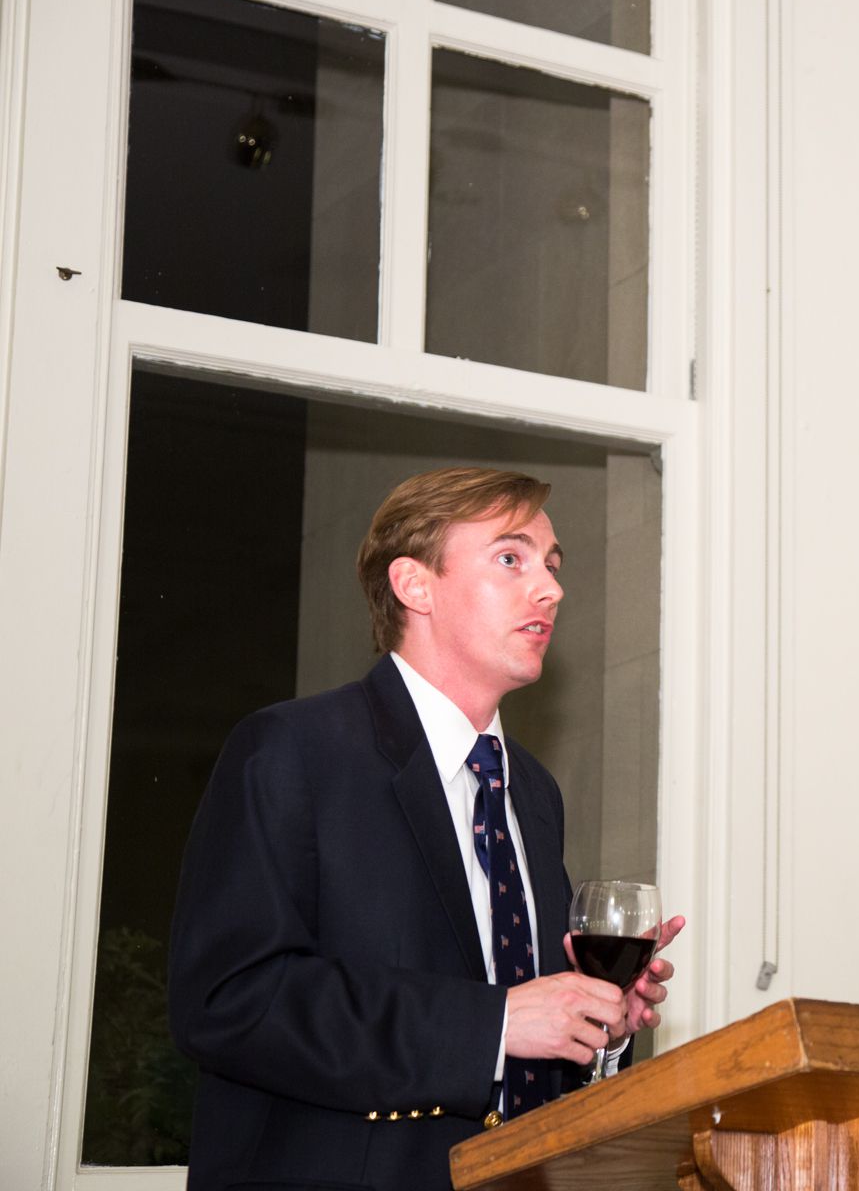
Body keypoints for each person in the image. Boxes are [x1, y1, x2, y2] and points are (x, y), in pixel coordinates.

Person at [169, 467, 683, 1190]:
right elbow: (229, 1002)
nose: (551, 589)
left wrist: (596, 1025)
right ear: (415, 586)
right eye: (512, 558)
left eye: (552, 565)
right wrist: (496, 1025)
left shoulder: (531, 791)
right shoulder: (293, 751)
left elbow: (525, 1047)